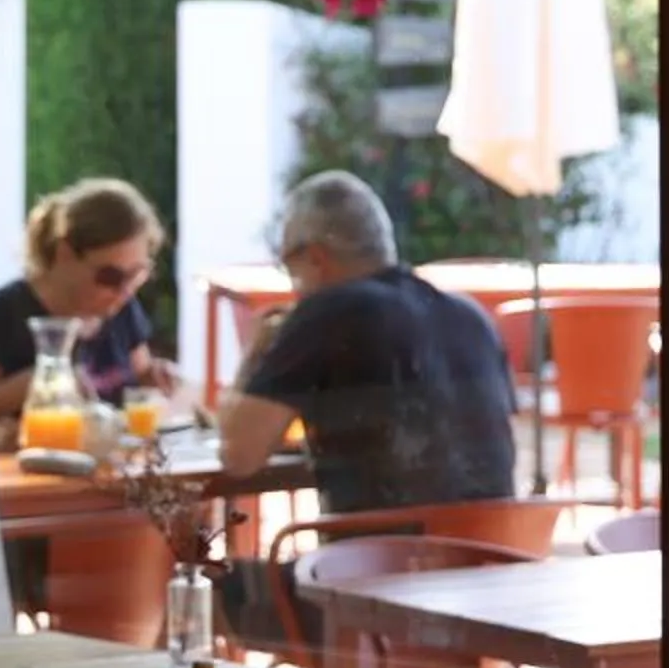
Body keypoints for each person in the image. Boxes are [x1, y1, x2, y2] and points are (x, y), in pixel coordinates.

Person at [216, 171, 517, 511]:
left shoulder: (327, 311)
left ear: (315, 257)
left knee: (217, 565)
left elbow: (238, 455)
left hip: (385, 557)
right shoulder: (471, 316)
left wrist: (257, 351)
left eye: (289, 267)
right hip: (497, 553)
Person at [0, 178, 178, 422]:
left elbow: (141, 378)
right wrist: (30, 385)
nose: (125, 291)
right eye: (109, 276)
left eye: (137, 275)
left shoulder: (122, 308)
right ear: (65, 254)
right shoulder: (0, 315)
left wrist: (154, 378)